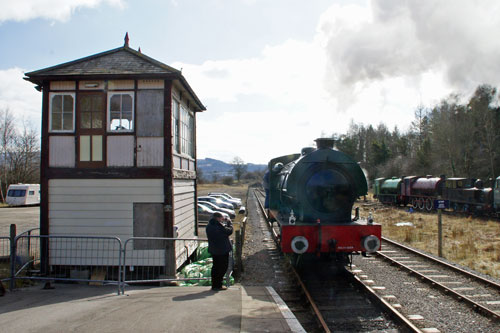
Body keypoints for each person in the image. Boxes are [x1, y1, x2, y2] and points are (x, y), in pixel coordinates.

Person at [206, 212, 233, 291]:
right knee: (223, 267)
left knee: (215, 267)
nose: (222, 220)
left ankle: (215, 284)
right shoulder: (218, 226)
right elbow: (229, 231)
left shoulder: (209, 226)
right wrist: (229, 223)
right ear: (217, 218)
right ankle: (218, 285)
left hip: (214, 250)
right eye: (221, 218)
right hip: (222, 250)